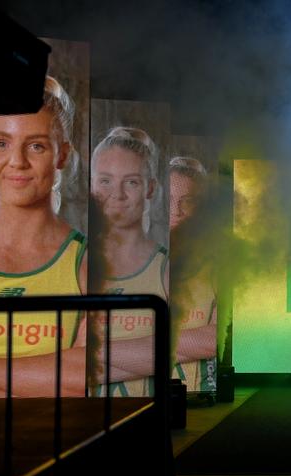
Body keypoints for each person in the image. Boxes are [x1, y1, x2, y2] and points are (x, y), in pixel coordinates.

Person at [0, 76, 87, 398]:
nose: (17, 162)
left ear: (62, 155)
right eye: (1, 143)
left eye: (36, 145)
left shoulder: (88, 261)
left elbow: (88, 376)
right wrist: (40, 379)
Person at [89, 126, 168, 397]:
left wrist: (85, 357)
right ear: (91, 184)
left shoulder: (167, 268)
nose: (117, 194)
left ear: (151, 188)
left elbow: (195, 343)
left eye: (132, 182)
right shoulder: (72, 261)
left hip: (148, 416)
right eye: (105, 181)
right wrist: (146, 355)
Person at [169, 157, 217, 392]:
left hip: (201, 396)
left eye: (187, 201)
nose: (176, 211)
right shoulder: (136, 261)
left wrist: (134, 352)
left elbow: (218, 338)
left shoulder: (218, 263)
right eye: (169, 201)